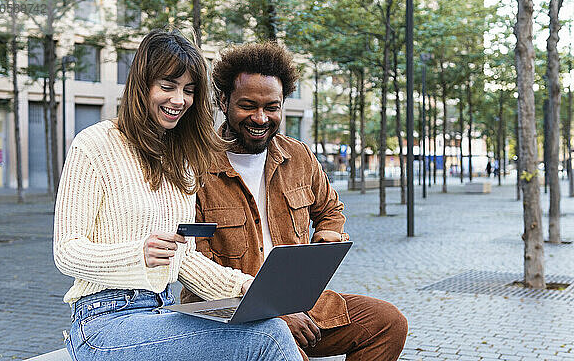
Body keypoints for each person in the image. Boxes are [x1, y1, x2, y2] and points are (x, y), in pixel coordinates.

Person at [53, 29, 302, 361]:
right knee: (268, 336)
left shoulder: (181, 159)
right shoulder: (94, 145)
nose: (178, 100)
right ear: (142, 85)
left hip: (162, 313)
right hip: (102, 322)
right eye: (167, 87)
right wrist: (137, 254)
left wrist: (242, 286)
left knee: (264, 324)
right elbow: (66, 252)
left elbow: (184, 259)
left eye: (188, 91)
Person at [181, 42, 408, 361]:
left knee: (387, 324)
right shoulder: (195, 168)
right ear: (223, 100)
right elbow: (196, 267)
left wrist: (325, 245)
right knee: (287, 351)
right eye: (248, 105)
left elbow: (331, 211)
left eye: (272, 107)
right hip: (226, 315)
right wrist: (271, 312)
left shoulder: (299, 157)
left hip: (299, 305)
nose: (260, 118)